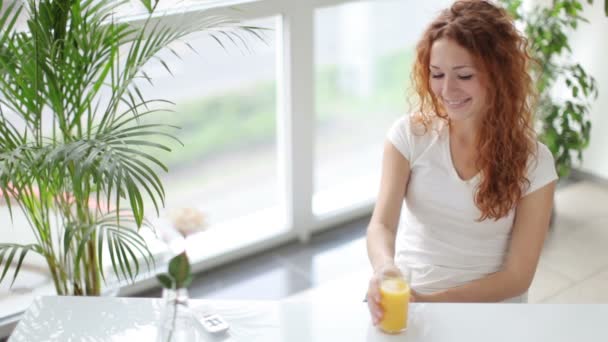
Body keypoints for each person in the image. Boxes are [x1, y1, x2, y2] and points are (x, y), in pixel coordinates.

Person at [365, 0, 558, 326]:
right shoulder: (410, 136)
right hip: (409, 302)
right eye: (437, 74)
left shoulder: (535, 162)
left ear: (498, 75)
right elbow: (381, 225)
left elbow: (517, 277)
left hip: (490, 312)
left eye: (464, 75)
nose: (447, 90)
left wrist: (433, 302)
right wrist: (384, 267)